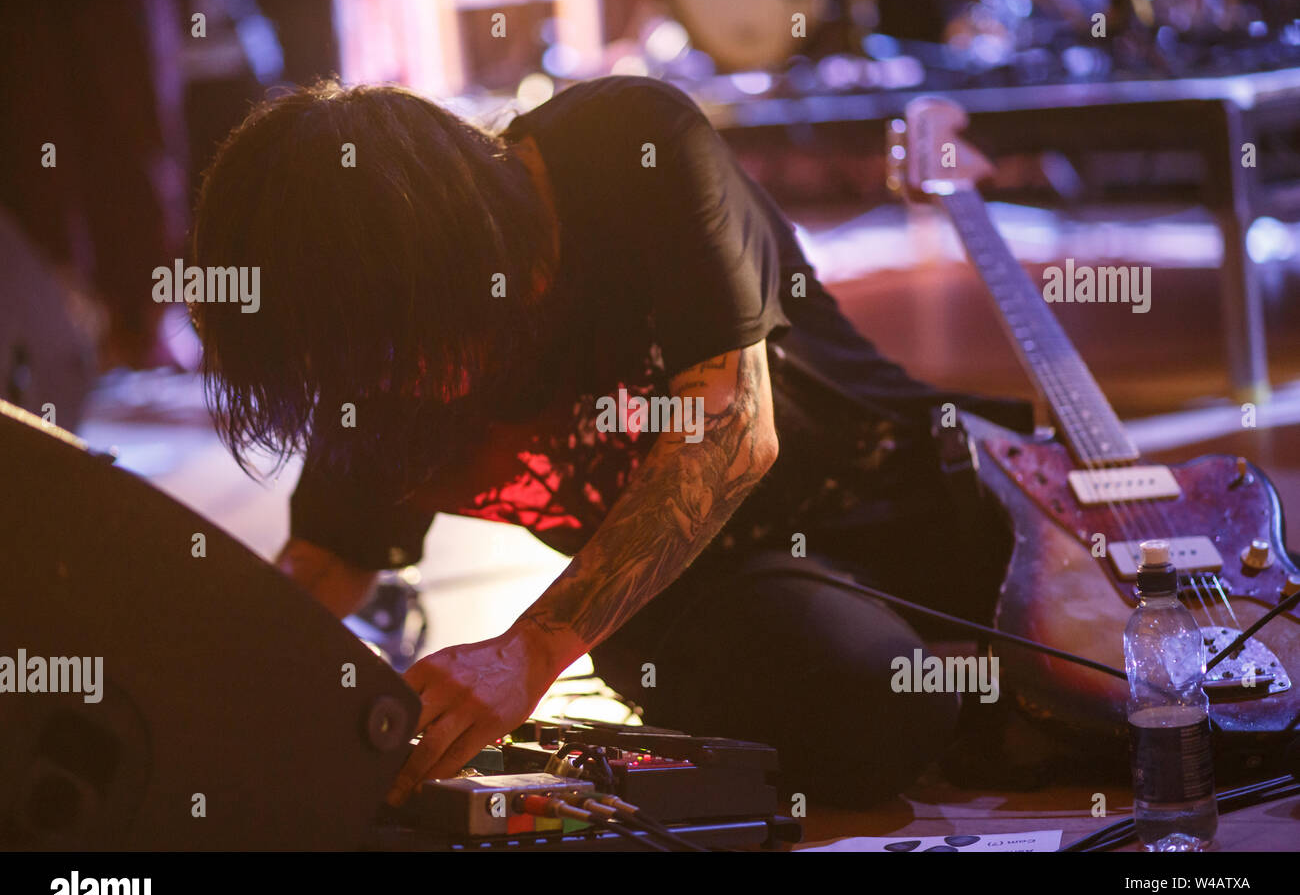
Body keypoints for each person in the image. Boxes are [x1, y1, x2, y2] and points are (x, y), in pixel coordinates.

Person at [189, 75, 1032, 808]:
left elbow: (732, 430)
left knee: (1132, 663)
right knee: (878, 705)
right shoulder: (368, 363)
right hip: (695, 599)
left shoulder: (630, 146)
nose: (392, 389)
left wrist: (527, 651)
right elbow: (328, 562)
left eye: (402, 350)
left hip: (904, 485)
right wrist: (206, 700)